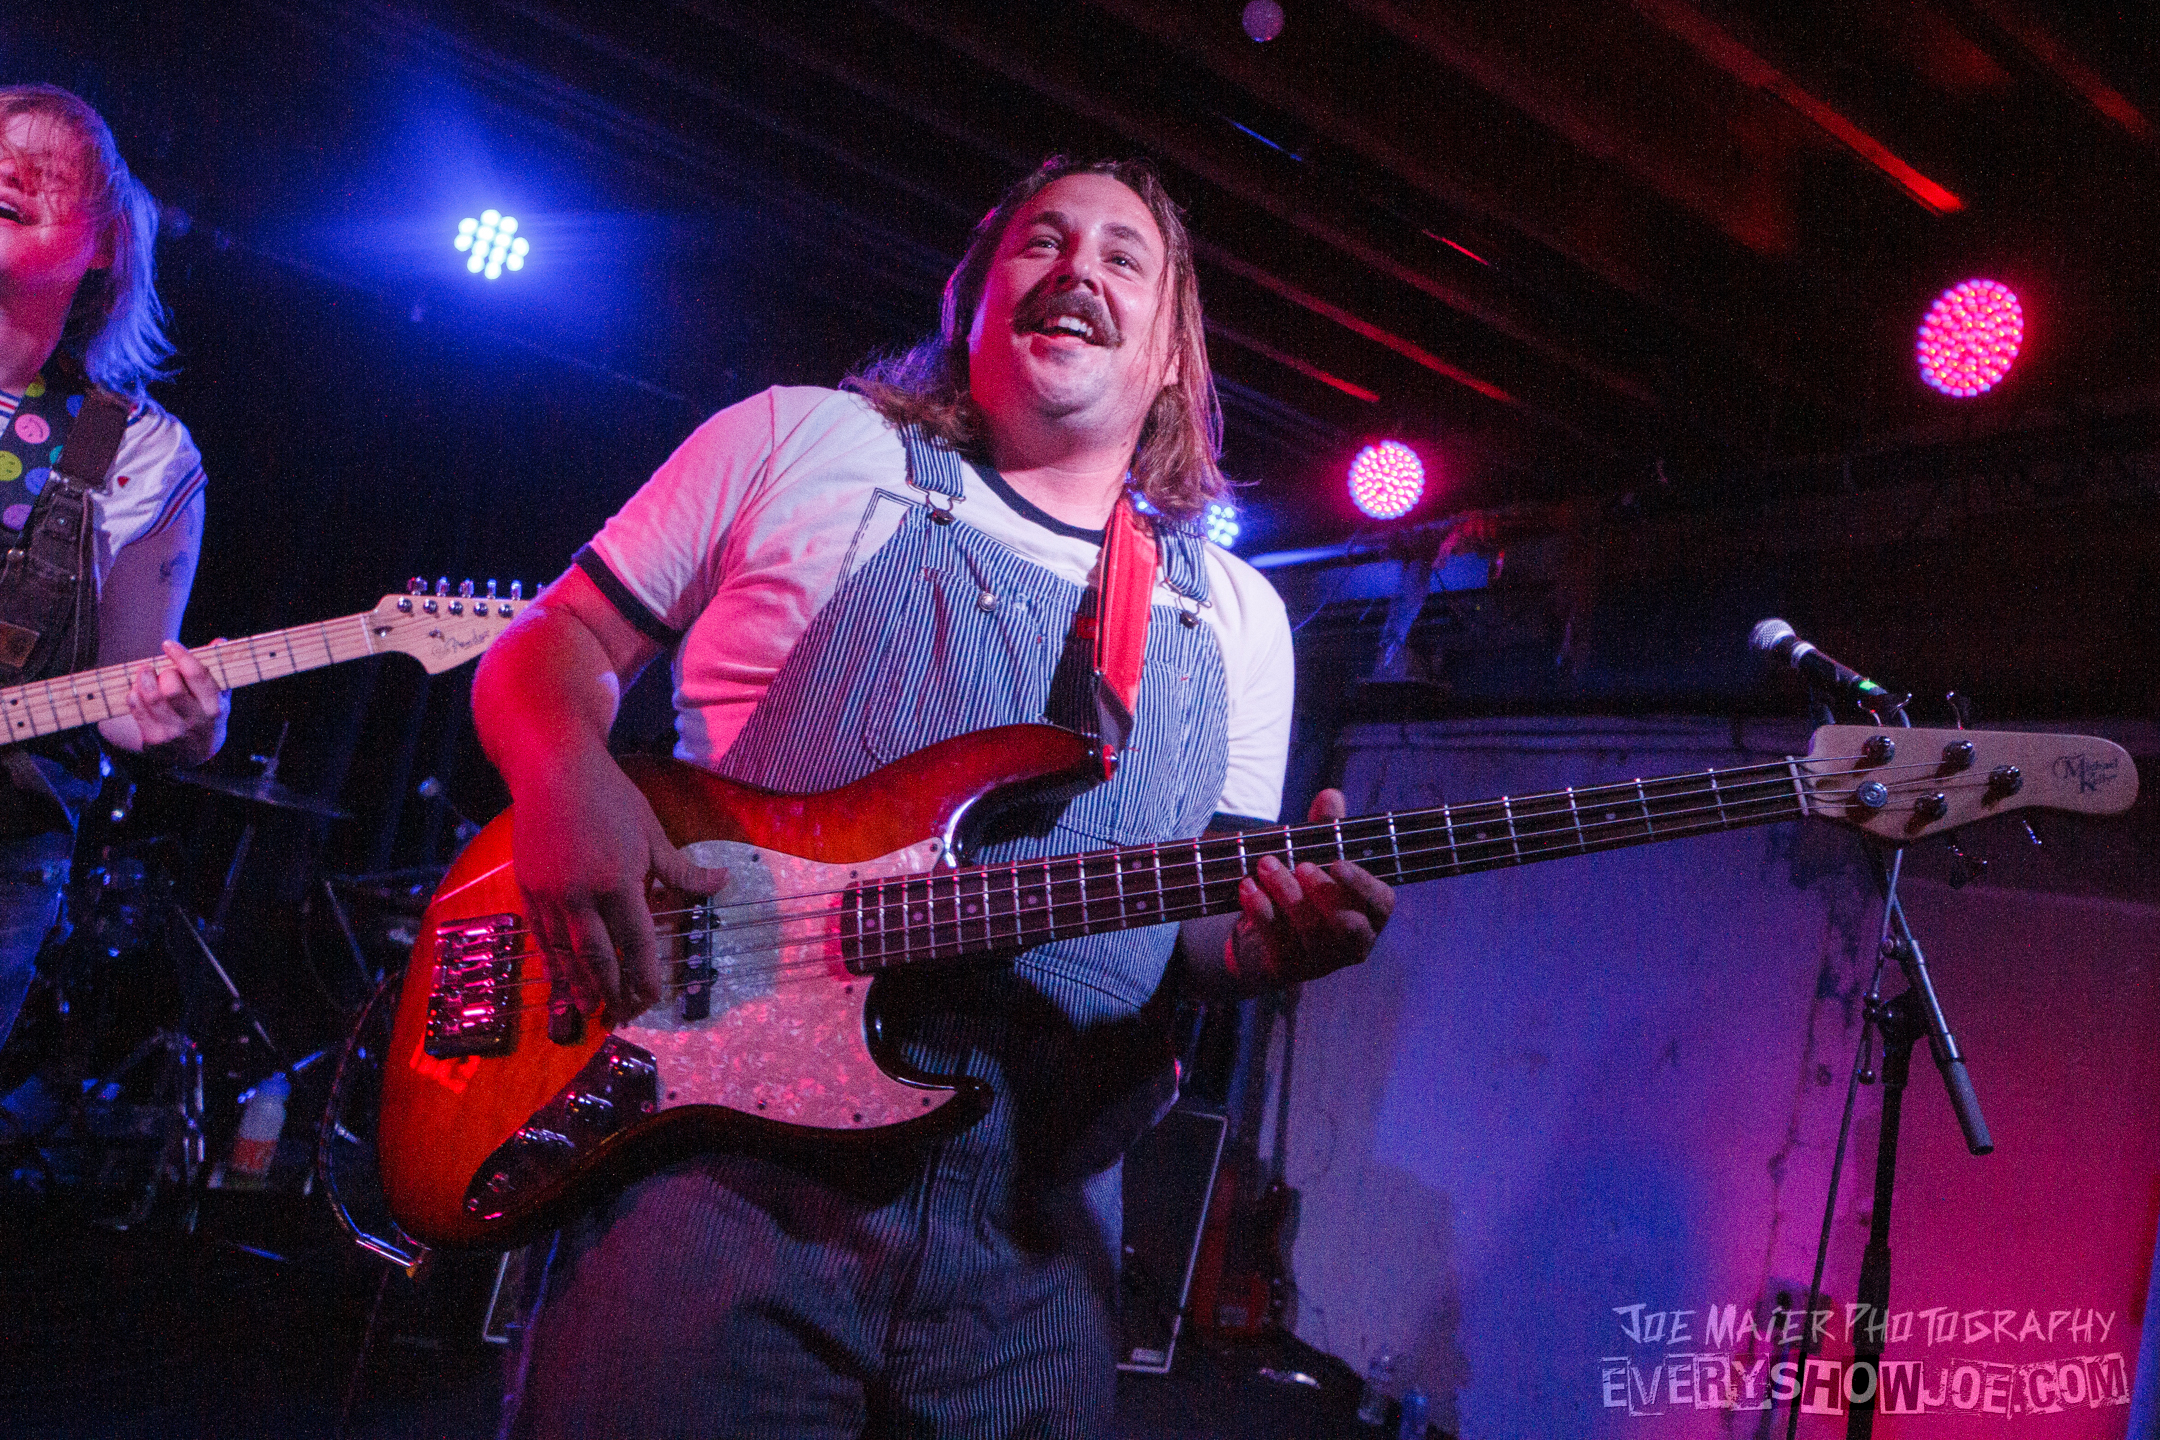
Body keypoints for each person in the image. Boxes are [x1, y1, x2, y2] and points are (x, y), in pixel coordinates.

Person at [473, 156, 1393, 1439]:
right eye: (1043, 242)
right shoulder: (808, 442)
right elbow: (549, 646)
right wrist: (567, 776)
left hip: (1038, 1250)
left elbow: (1196, 923)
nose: (1077, 270)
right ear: (974, 299)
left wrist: (1267, 945)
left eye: (1124, 257)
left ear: (1174, 353)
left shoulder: (1233, 616)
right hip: (723, 1192)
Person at [0, 85, 227, 1074]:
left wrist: (190, 724)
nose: (10, 170)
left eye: (50, 170)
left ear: (104, 245)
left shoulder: (134, 450)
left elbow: (126, 695)